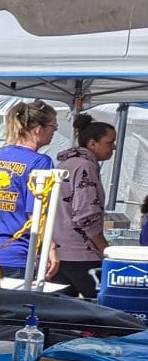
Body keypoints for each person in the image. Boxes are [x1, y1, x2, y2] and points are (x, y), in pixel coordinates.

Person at [0, 99, 57, 281]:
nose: (54, 132)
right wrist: (51, 248)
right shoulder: (41, 162)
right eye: (53, 127)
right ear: (38, 129)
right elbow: (36, 213)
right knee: (16, 308)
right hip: (18, 255)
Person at [52, 114, 116, 298]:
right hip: (81, 253)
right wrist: (104, 248)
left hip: (60, 253)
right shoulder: (85, 167)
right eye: (109, 142)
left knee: (61, 313)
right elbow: (86, 214)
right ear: (92, 143)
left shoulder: (64, 164)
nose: (113, 147)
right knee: (103, 306)